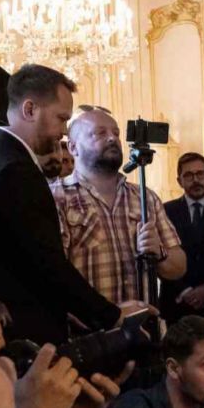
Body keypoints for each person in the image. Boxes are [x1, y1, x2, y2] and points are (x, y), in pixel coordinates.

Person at [0, 65, 138, 344]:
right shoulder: (14, 169)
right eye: (61, 118)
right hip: (24, 329)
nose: (64, 132)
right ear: (30, 110)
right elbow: (45, 262)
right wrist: (111, 316)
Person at [54, 105, 185, 306]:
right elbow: (54, 274)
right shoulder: (58, 197)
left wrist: (159, 252)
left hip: (143, 325)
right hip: (90, 330)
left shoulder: (145, 197)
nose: (112, 138)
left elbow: (178, 267)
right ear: (73, 148)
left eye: (116, 133)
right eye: (100, 133)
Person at [159, 152, 204, 327]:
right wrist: (184, 290)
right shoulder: (164, 211)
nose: (196, 180)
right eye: (188, 175)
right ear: (179, 181)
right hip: (177, 302)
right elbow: (159, 255)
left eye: (201, 174)